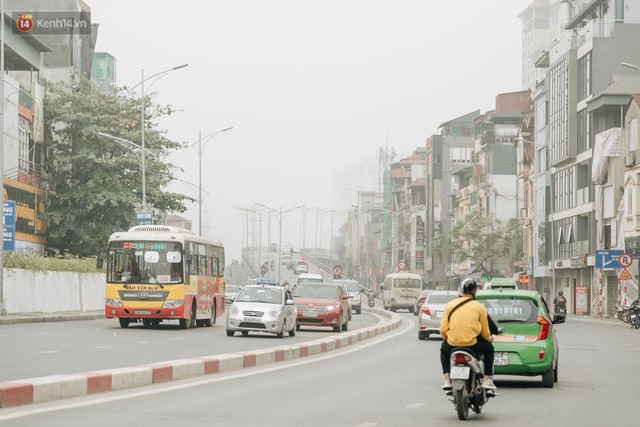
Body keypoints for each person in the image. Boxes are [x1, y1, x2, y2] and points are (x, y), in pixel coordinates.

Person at [439, 277, 497, 395]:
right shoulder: (479, 307)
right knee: (489, 349)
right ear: (475, 291)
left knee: (443, 350)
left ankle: (446, 378)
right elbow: (485, 333)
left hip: (452, 344)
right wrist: (490, 339)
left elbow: (443, 330)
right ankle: (486, 379)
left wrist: (448, 339)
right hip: (473, 345)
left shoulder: (450, 305)